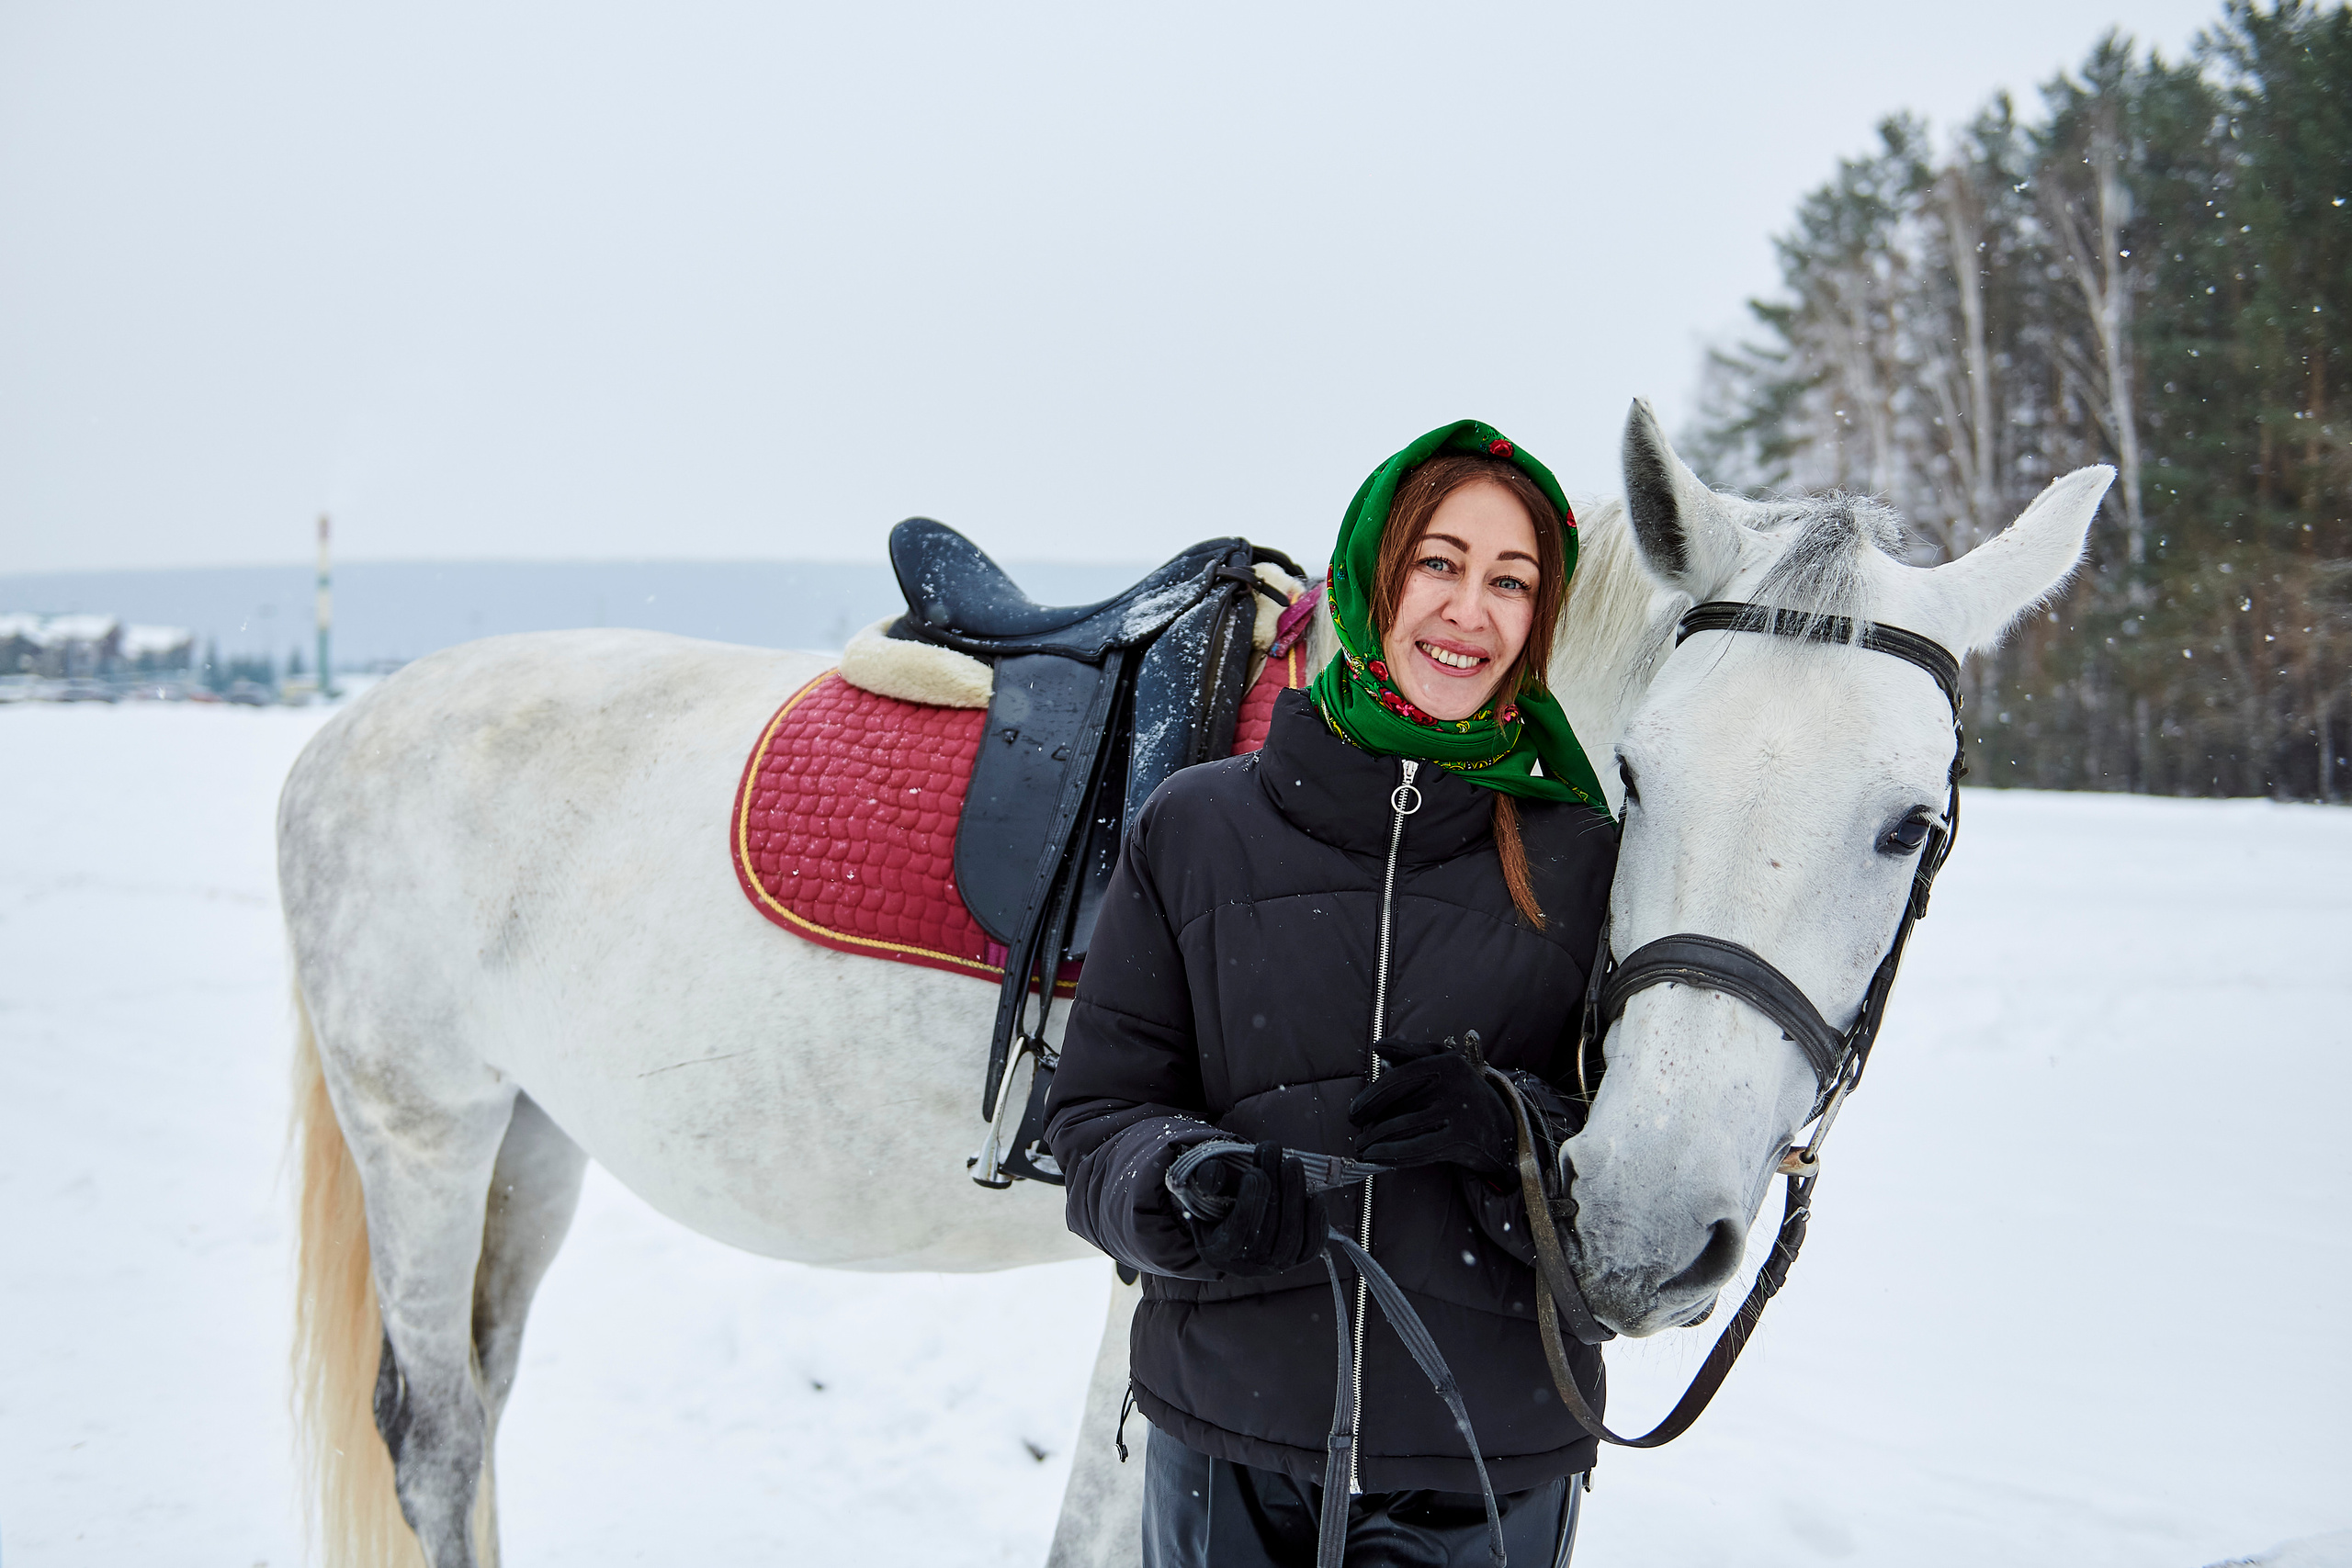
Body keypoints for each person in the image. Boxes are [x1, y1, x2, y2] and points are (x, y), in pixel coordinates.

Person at [1046, 420, 1620, 1566]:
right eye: (1438, 563)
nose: (1470, 611)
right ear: (1369, 574)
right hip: (1229, 1439)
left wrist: (1511, 1130)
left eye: (1512, 582)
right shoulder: (1200, 826)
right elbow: (1095, 1119)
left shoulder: (1588, 858)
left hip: (1490, 1462)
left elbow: (1640, 1165)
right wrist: (1180, 1178)